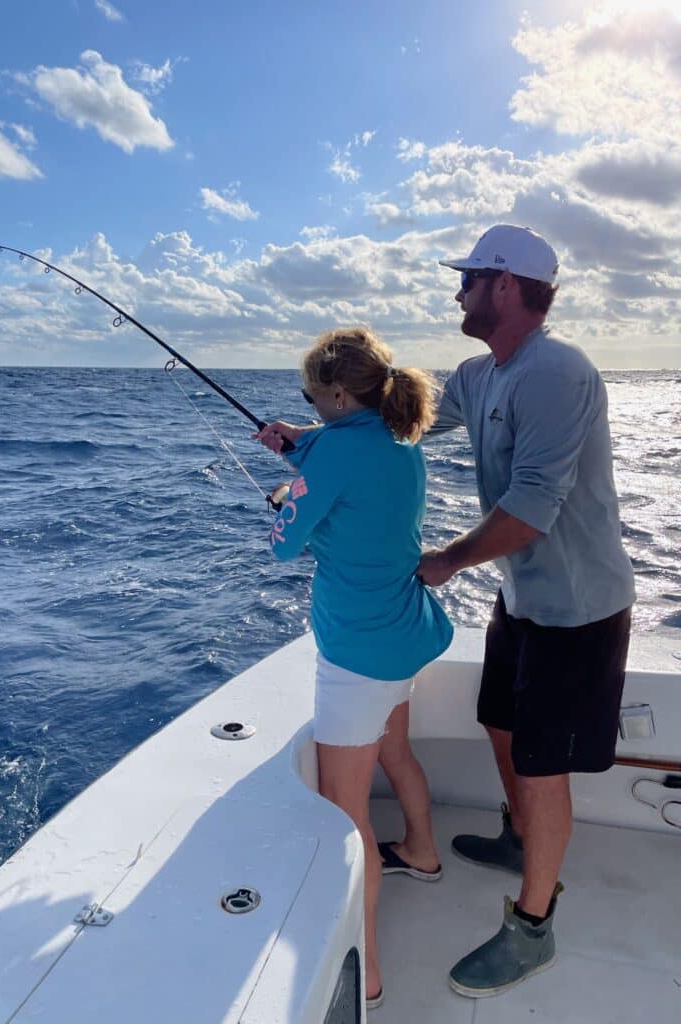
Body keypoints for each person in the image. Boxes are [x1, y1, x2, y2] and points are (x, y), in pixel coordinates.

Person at [417, 224, 635, 997]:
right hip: (522, 597)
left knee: (542, 768)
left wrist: (446, 560)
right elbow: (408, 424)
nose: (458, 292)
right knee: (500, 724)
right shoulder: (477, 374)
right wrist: (313, 435)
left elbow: (532, 510)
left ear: (505, 286)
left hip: (578, 610)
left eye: (469, 278)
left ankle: (533, 928)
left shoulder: (557, 372)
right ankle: (519, 840)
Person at [256, 326, 453, 1011]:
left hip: (357, 656)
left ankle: (365, 968)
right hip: (405, 634)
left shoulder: (334, 451)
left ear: (338, 394)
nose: (308, 405)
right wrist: (301, 442)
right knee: (396, 752)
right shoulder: (401, 436)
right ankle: (422, 852)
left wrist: (287, 494)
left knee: (347, 814)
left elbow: (284, 545)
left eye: (310, 396)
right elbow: (345, 449)